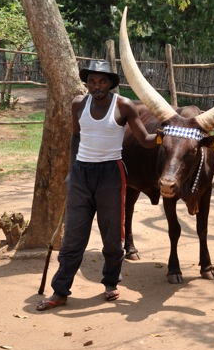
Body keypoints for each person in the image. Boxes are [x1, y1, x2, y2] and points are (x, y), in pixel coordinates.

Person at [37, 60, 161, 311]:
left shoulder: (123, 106)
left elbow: (146, 141)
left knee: (113, 236)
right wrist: (72, 170)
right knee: (73, 237)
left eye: (102, 81)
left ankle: (111, 282)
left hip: (111, 174)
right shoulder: (78, 104)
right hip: (81, 175)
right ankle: (60, 291)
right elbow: (76, 136)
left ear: (111, 83)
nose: (97, 86)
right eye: (92, 81)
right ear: (87, 83)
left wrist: (165, 134)